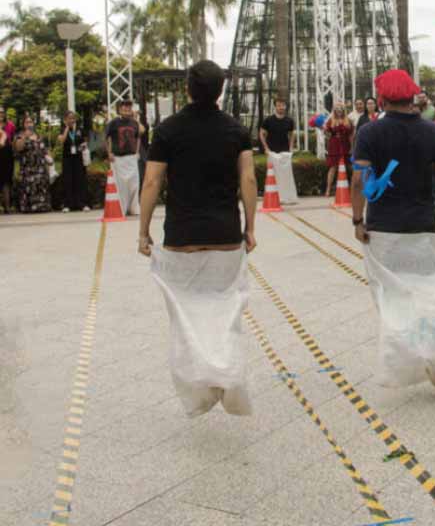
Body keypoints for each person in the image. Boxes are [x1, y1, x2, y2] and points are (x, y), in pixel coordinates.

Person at [139, 60, 257, 418]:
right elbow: (248, 180)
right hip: (225, 235)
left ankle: (199, 390)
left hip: (182, 237)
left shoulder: (169, 130)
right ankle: (229, 375)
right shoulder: (236, 130)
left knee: (186, 317)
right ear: (220, 90)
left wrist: (142, 230)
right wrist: (250, 227)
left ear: (186, 89)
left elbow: (152, 182)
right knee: (226, 313)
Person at [352, 69, 435, 394]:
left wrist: (358, 220)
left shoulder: (368, 133)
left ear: (381, 99)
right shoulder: (434, 133)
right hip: (424, 223)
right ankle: (433, 352)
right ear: (413, 96)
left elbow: (358, 181)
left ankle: (401, 363)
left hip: (383, 228)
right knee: (430, 292)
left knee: (393, 298)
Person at [105, 99, 145, 216]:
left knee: (134, 184)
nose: (126, 110)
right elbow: (107, 138)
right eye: (124, 108)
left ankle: (134, 208)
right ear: (119, 110)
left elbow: (140, 134)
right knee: (121, 186)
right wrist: (109, 153)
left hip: (132, 157)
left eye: (128, 108)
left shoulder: (134, 123)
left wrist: (137, 152)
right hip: (118, 158)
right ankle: (121, 208)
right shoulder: (113, 123)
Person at [259, 98, 298, 205]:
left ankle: (286, 197)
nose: (281, 107)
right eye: (279, 105)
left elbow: (292, 135)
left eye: (283, 105)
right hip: (272, 152)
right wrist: (266, 148)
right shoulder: (268, 120)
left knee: (286, 175)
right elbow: (261, 133)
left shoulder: (289, 121)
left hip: (284, 152)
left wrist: (291, 147)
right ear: (275, 106)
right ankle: (271, 196)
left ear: (285, 106)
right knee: (272, 175)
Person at [12, 115, 51, 213]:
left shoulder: (39, 136)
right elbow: (18, 148)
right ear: (23, 124)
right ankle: (28, 207)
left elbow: (44, 150)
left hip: (40, 168)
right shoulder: (19, 135)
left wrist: (49, 160)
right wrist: (25, 136)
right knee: (29, 188)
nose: (29, 124)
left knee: (41, 187)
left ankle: (41, 207)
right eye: (27, 122)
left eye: (31, 122)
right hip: (27, 168)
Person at [58, 111, 90, 213]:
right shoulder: (62, 129)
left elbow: (85, 142)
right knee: (68, 180)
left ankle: (82, 203)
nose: (71, 120)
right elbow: (62, 140)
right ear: (65, 120)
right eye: (69, 118)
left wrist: (83, 146)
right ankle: (67, 204)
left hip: (78, 158)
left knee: (80, 180)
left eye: (73, 118)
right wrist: (67, 128)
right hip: (67, 158)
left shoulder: (80, 129)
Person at [323, 105, 354, 197]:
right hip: (334, 145)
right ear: (334, 111)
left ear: (344, 110)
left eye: (340, 109)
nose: (339, 111)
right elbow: (327, 134)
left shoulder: (348, 121)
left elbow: (351, 136)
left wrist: (352, 147)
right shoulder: (330, 121)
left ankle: (354, 188)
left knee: (350, 168)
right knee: (333, 167)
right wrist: (325, 130)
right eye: (337, 109)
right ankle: (328, 189)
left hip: (345, 145)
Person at [0, 106, 15, 214]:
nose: (0, 115)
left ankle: (7, 206)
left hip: (7, 155)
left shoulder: (10, 125)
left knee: (6, 181)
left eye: (2, 113)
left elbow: (13, 140)